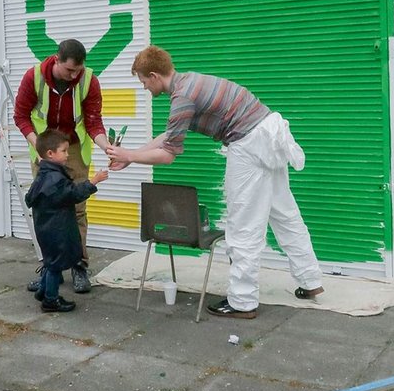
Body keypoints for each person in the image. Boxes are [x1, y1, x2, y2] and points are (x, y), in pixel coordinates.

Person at [106, 45, 325, 319]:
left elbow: (168, 155)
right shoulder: (189, 81)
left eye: (143, 82)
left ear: (153, 75)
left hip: (248, 145)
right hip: (268, 135)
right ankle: (311, 281)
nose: (144, 88)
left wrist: (130, 155)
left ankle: (243, 302)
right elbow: (171, 134)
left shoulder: (182, 97)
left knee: (242, 225)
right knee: (285, 216)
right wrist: (131, 156)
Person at [13, 39, 111, 294]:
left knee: (77, 209)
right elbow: (20, 116)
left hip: (74, 149)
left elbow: (93, 121)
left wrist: (106, 146)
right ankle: (50, 268)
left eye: (78, 71)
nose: (74, 76)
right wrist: (40, 147)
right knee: (46, 211)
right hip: (44, 149)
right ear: (56, 60)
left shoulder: (89, 81)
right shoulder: (33, 78)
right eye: (69, 71)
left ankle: (79, 266)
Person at [24, 129, 108, 312]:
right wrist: (94, 181)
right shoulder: (55, 178)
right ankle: (51, 301)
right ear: (50, 153)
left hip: (44, 227)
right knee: (55, 266)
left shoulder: (43, 175)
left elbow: (29, 198)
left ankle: (43, 291)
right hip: (57, 229)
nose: (67, 155)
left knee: (50, 261)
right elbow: (73, 194)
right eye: (64, 151)